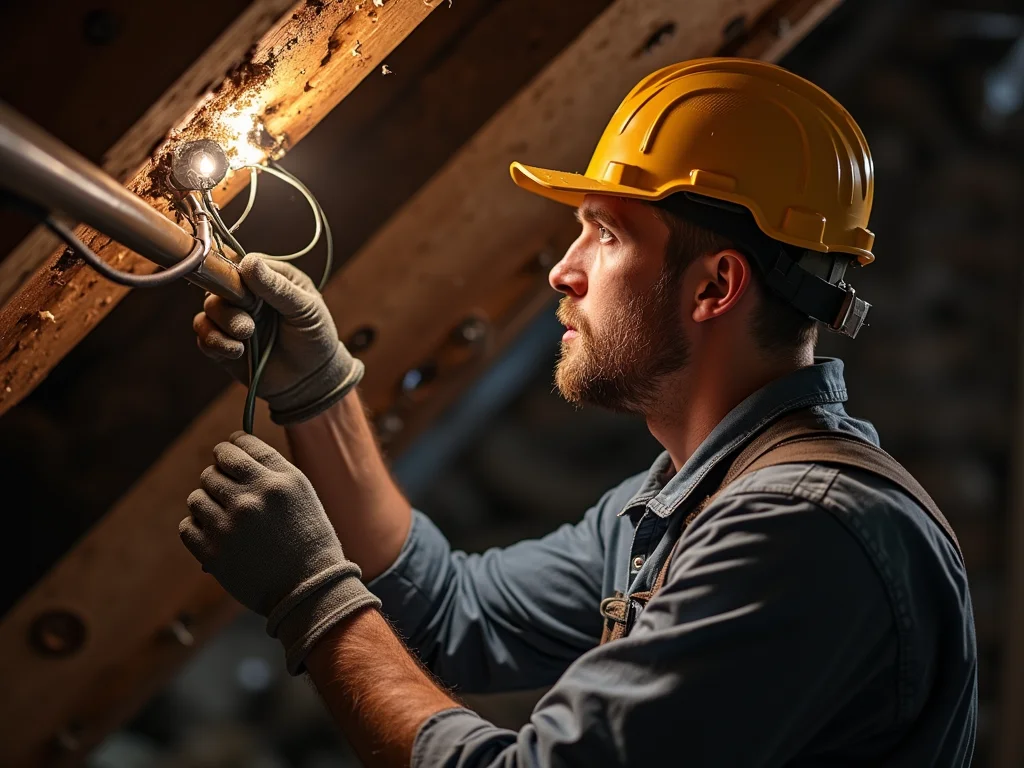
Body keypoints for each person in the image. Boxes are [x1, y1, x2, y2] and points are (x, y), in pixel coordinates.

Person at [181, 58, 977, 766]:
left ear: (714, 287)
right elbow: (457, 614)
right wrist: (319, 396)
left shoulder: (800, 532)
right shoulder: (684, 502)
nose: (564, 271)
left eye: (604, 233)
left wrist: (313, 598)